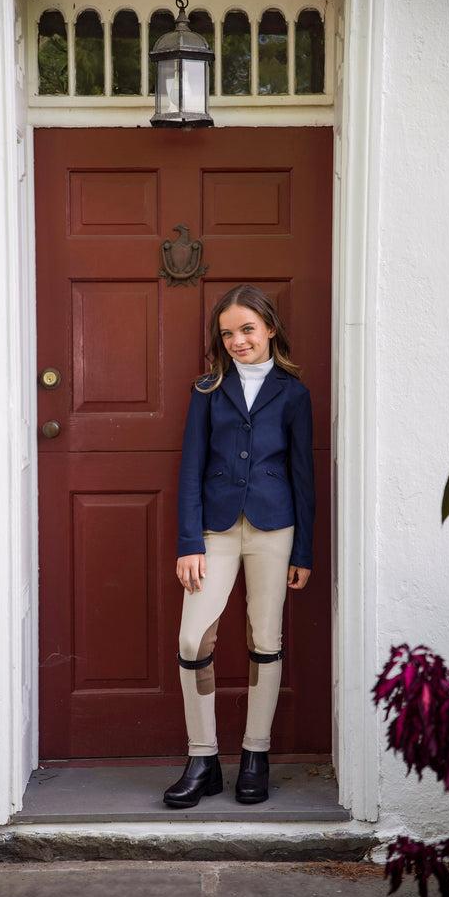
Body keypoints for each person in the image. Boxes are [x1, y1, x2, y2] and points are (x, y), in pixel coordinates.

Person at [163, 283, 316, 809]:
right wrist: (189, 541)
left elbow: (303, 475)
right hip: (215, 531)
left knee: (265, 638)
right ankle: (202, 758)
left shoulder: (294, 393)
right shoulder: (207, 390)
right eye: (227, 333)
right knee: (192, 641)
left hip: (276, 529)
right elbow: (190, 470)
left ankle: (256, 753)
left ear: (269, 329)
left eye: (247, 329)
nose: (237, 340)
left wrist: (304, 552)